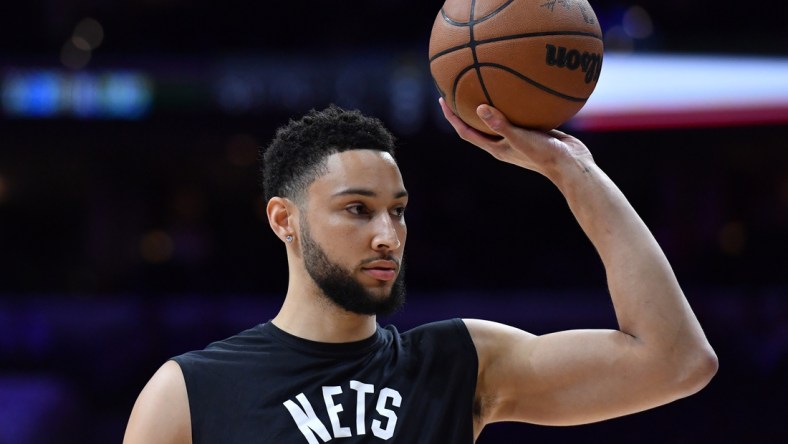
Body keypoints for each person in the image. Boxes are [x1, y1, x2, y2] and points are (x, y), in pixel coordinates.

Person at [123, 99, 718, 443]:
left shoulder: (459, 362)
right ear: (285, 219)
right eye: (357, 209)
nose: (388, 235)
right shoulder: (188, 392)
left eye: (398, 212)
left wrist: (573, 173)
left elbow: (676, 361)